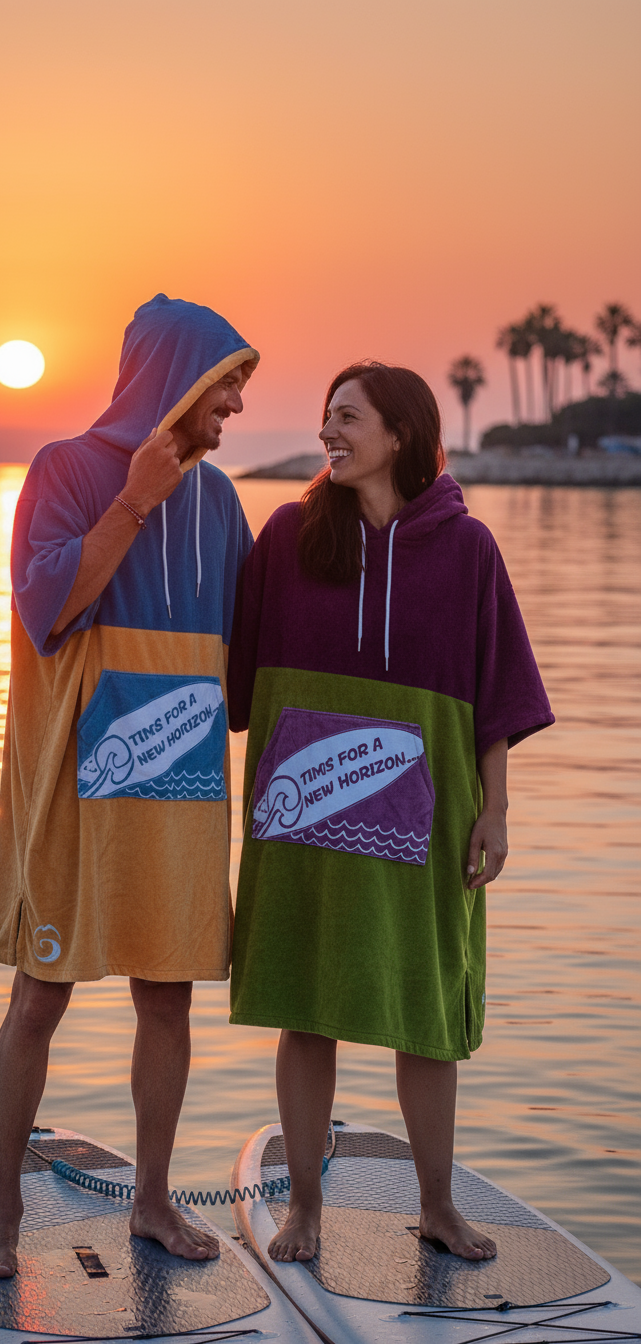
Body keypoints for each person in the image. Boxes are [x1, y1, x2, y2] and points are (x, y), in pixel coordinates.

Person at [227, 361, 554, 1264]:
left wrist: (496, 810)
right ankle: (303, 1209)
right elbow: (230, 677)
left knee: (427, 1010)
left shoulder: (468, 549)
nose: (327, 432)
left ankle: (438, 1206)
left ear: (401, 434)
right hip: (304, 817)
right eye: (326, 417)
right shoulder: (290, 536)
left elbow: (494, 693)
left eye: (347, 417)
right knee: (306, 1006)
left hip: (429, 815)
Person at [0, 295, 258, 1278]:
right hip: (77, 788)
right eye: (226, 384)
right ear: (178, 378)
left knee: (167, 1003)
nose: (237, 405)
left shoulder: (221, 503)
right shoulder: (65, 471)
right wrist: (133, 499)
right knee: (38, 997)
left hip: (181, 789)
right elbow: (49, 609)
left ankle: (153, 1201)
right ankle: (2, 1205)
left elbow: (246, 663)